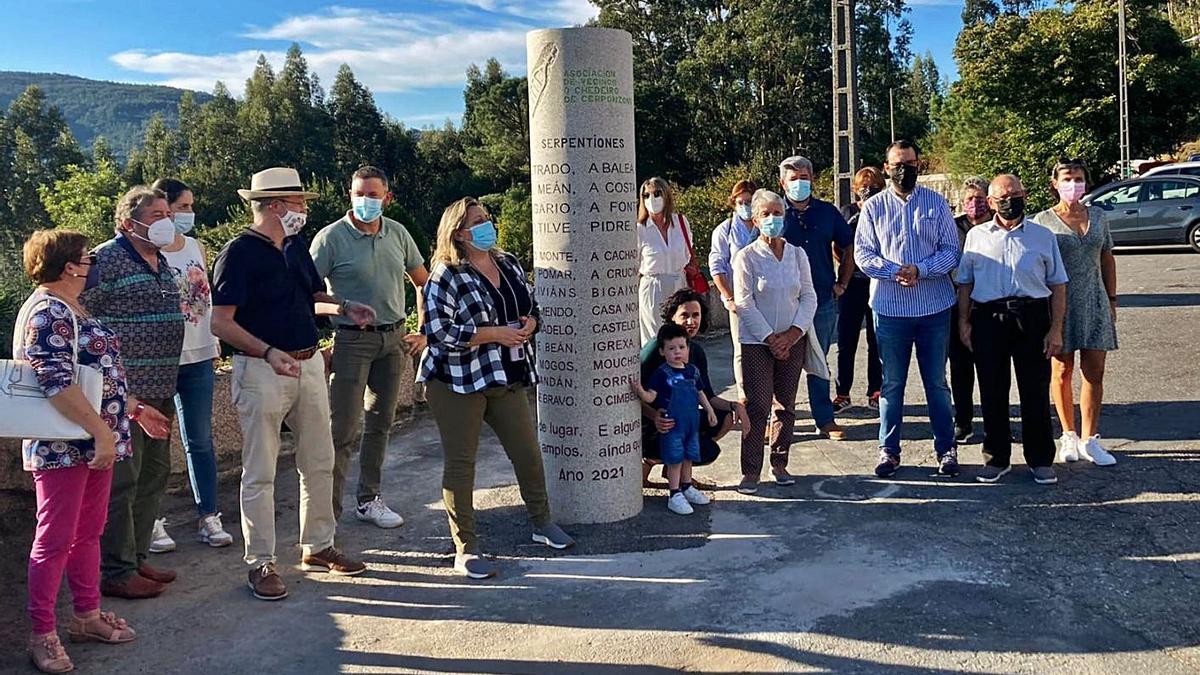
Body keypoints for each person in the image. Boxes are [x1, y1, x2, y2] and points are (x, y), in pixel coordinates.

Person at [211, 167, 372, 601]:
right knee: (260, 470)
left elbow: (310, 299)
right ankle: (260, 562)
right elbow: (220, 322)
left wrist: (343, 306)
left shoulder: (295, 246)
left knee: (319, 459)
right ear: (277, 205)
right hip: (261, 370)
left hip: (308, 365)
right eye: (299, 203)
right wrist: (266, 351)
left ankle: (318, 547)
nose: (303, 210)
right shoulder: (238, 254)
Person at [16, 230, 169, 673]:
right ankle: (43, 633)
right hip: (65, 447)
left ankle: (86, 616)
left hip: (93, 441)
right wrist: (103, 433)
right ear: (69, 266)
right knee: (54, 540)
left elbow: (95, 375)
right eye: (87, 258)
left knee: (87, 533)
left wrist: (133, 408)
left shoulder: (70, 307)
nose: (93, 263)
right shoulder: (47, 310)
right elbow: (56, 381)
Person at [418, 196, 574, 580]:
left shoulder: (508, 263)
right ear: (458, 232)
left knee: (526, 452)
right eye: (477, 221)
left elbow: (533, 305)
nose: (487, 225)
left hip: (507, 373)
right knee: (461, 463)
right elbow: (439, 332)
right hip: (456, 380)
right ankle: (466, 548)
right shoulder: (446, 274)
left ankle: (542, 523)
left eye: (487, 218)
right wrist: (495, 334)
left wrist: (529, 325)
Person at [80, 186, 186, 599]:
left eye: (167, 213)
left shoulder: (160, 259)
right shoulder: (105, 259)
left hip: (160, 389)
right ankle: (116, 570)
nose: (167, 221)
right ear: (129, 223)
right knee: (123, 481)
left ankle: (137, 556)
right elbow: (80, 311)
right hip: (122, 395)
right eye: (157, 214)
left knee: (154, 475)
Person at [310, 166, 431, 528]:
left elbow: (423, 281)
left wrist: (423, 329)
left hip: (393, 340)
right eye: (359, 194)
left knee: (381, 424)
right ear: (349, 195)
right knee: (343, 430)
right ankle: (325, 516)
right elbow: (307, 295)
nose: (365, 201)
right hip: (351, 341)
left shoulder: (398, 233)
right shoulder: (330, 238)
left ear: (386, 198)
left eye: (373, 195)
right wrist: (343, 309)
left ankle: (369, 499)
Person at [854, 140, 961, 478]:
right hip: (889, 310)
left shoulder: (937, 203)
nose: (904, 169)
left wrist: (921, 270)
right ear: (886, 168)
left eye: (910, 163)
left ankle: (946, 449)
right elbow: (863, 254)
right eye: (898, 164)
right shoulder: (873, 208)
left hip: (934, 308)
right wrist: (893, 271)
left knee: (936, 383)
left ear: (919, 165)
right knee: (892, 384)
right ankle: (888, 451)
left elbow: (951, 251)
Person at [957, 174, 1068, 485]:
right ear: (990, 202)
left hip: (1032, 318)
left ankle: (1040, 459)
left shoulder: (1043, 236)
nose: (1008, 201)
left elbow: (1058, 284)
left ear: (1025, 195)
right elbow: (965, 283)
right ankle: (996, 458)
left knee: (1034, 391)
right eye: (1001, 197)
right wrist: (964, 322)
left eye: (1014, 194)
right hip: (989, 319)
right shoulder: (977, 236)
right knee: (992, 391)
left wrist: (1056, 328)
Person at [150, 177, 234, 551]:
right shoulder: (142, 250)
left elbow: (206, 301)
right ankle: (150, 520)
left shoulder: (196, 247)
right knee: (152, 446)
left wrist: (214, 344)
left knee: (199, 440)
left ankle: (209, 516)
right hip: (158, 360)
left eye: (188, 207)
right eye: (182, 207)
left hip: (198, 355)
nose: (189, 214)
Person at [733, 189, 827, 494]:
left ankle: (780, 462)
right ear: (756, 219)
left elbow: (809, 296)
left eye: (778, 213)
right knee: (758, 405)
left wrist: (793, 333)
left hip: (793, 339)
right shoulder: (746, 257)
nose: (773, 219)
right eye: (767, 214)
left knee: (786, 405)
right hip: (757, 343)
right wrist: (770, 337)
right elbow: (744, 302)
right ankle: (750, 471)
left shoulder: (797, 254)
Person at [1030, 159, 1118, 466]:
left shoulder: (1099, 216)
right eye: (1067, 178)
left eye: (1079, 178)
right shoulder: (1042, 221)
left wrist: (1112, 298)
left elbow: (1107, 257)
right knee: (1062, 371)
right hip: (1059, 305)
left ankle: (1090, 439)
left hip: (1094, 302)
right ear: (1054, 183)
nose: (1073, 184)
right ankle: (1067, 434)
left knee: (1094, 372)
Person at [640, 289, 747, 488]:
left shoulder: (695, 350)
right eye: (685, 315)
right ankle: (650, 460)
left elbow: (708, 395)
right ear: (672, 317)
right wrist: (654, 416)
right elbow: (632, 396)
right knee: (699, 446)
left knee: (723, 419)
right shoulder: (656, 348)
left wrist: (735, 406)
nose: (691, 322)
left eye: (695, 315)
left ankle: (676, 469)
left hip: (680, 417)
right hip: (650, 422)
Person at [778, 155, 853, 440]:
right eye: (793, 178)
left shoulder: (827, 212)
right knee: (783, 362)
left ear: (813, 179)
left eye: (804, 177)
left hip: (821, 299)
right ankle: (780, 421)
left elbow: (848, 247)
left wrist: (842, 283)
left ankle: (824, 420)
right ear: (782, 183)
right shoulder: (774, 213)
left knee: (818, 361)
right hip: (784, 303)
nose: (799, 183)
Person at [632, 323, 718, 515]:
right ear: (662, 351)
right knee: (675, 459)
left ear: (688, 348)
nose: (677, 352)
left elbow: (700, 392)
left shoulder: (692, 371)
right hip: (672, 426)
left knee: (688, 457)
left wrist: (710, 410)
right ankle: (674, 493)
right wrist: (639, 391)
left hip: (691, 424)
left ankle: (687, 486)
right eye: (671, 348)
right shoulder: (661, 373)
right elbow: (651, 397)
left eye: (681, 347)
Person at [833, 167, 884, 413]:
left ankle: (876, 391)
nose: (868, 190)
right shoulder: (847, 213)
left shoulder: (886, 210)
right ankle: (843, 393)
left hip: (878, 283)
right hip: (852, 284)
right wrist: (845, 272)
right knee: (846, 340)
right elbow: (837, 246)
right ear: (855, 189)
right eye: (863, 186)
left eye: (873, 186)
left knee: (877, 341)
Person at [949, 176, 993, 442]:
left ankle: (994, 421)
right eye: (969, 199)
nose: (974, 204)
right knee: (960, 369)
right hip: (957, 305)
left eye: (979, 199)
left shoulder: (998, 227)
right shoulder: (953, 227)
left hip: (989, 305)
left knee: (992, 369)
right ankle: (963, 422)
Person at [708, 179, 759, 397]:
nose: (745, 206)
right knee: (741, 350)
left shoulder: (765, 224)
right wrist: (727, 297)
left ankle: (767, 396)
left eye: (749, 201)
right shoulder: (725, 229)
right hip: (739, 299)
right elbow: (717, 266)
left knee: (765, 350)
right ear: (733, 203)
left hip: (765, 296)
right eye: (741, 202)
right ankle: (745, 396)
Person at [637, 177, 694, 345]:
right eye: (646, 195)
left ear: (666, 195)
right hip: (653, 287)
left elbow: (688, 253)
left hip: (679, 283)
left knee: (680, 336)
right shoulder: (640, 229)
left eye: (656, 193)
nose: (651, 199)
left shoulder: (681, 222)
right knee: (655, 339)